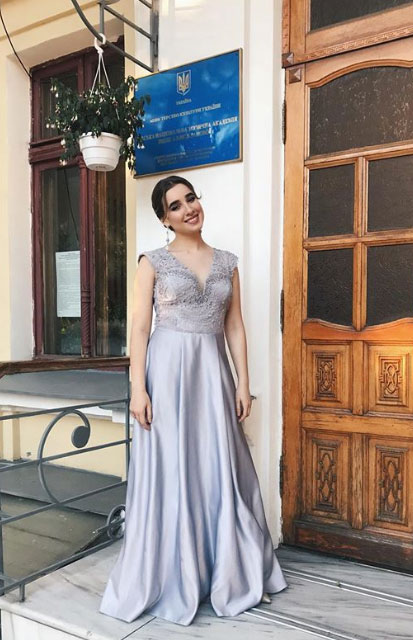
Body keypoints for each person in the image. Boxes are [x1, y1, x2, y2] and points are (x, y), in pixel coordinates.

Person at [99, 175, 288, 626]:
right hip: (167, 377)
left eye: (191, 198)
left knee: (217, 465)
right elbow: (139, 329)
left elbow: (234, 325)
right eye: (176, 205)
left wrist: (243, 382)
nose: (188, 209)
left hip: (212, 374)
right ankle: (175, 572)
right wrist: (138, 389)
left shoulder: (227, 263)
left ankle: (226, 569)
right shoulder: (153, 262)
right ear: (165, 219)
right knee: (174, 466)